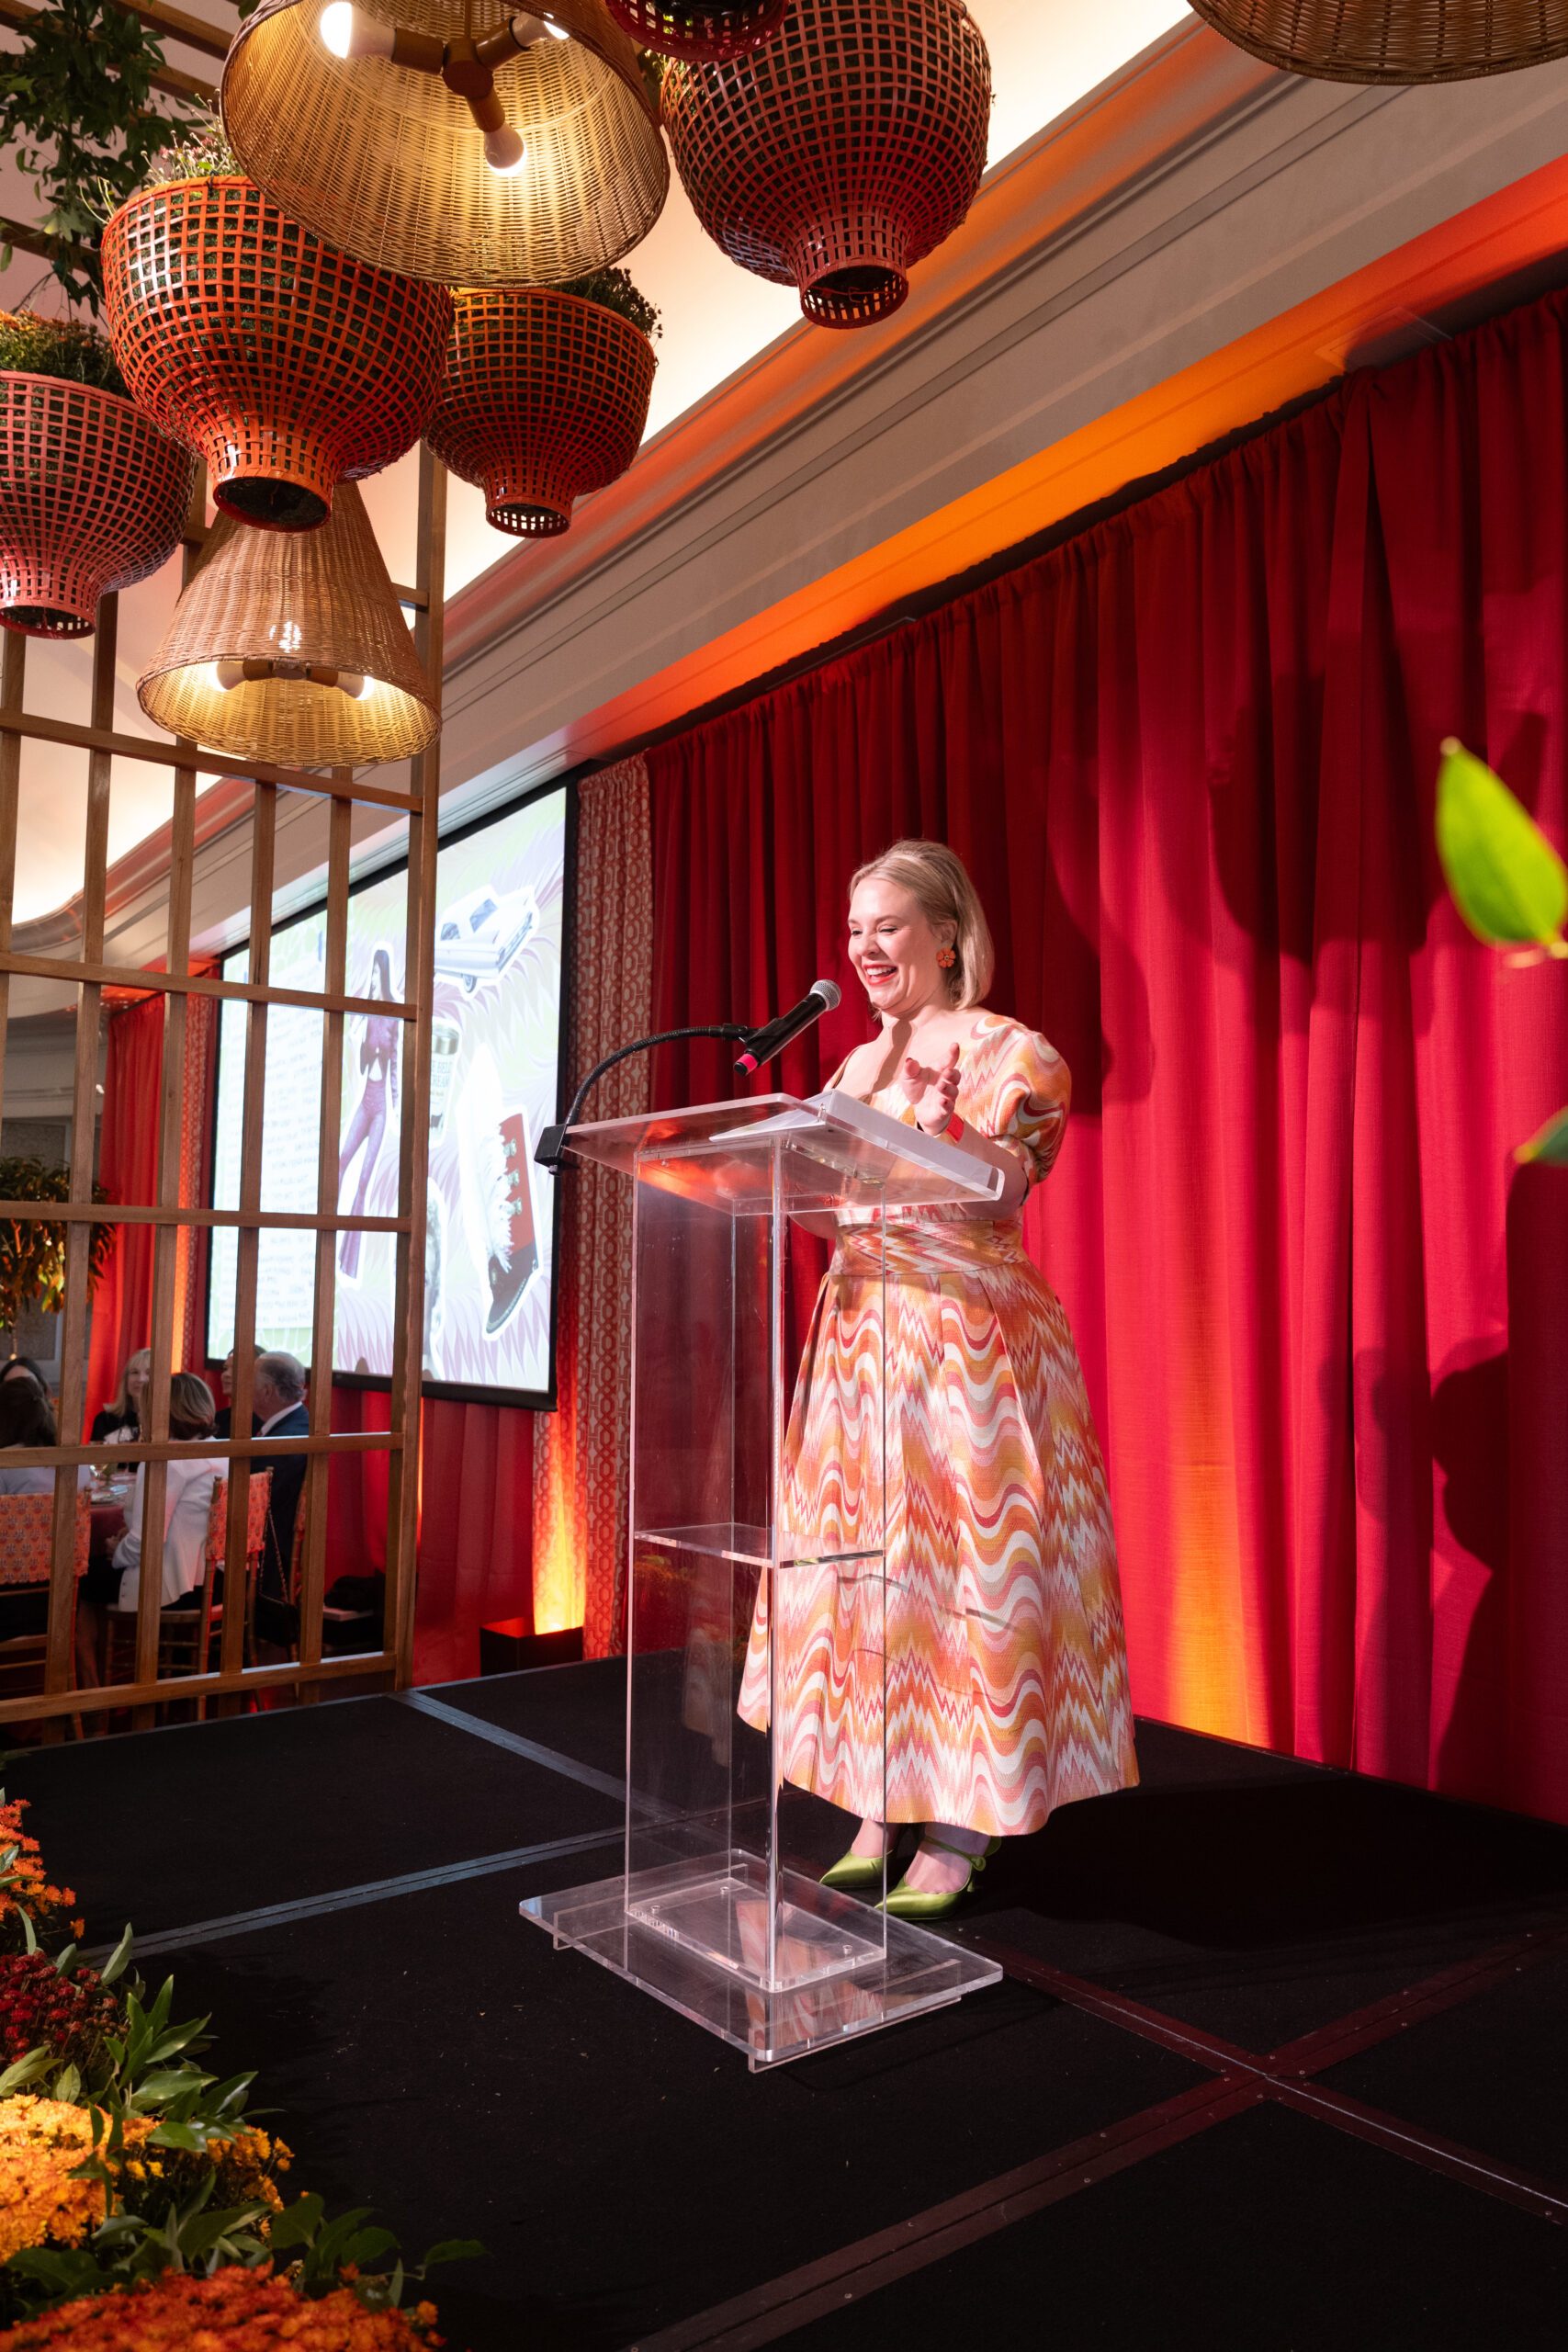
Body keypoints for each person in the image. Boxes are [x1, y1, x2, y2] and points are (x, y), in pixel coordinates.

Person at [738, 839, 1137, 1917]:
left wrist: (943, 1127)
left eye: (888, 925)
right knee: (870, 1579)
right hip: (860, 1340)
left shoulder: (1014, 1050)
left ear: (949, 936)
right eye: (854, 929)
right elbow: (829, 1206)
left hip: (966, 1340)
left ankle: (964, 1821)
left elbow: (1002, 1190)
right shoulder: (847, 1070)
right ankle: (878, 1800)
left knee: (963, 1575)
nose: (865, 946)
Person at [110, 1373, 222, 1611]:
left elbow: (145, 1543)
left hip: (174, 1586)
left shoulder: (166, 1461)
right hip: (221, 1577)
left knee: (80, 1577)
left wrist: (115, 1554)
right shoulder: (223, 1451)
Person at [338, 946, 399, 1279]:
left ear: (383, 975)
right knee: (341, 1160)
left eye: (376, 972)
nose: (372, 978)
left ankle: (349, 1261)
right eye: (371, 972)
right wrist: (355, 1037)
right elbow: (361, 1066)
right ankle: (326, 1235)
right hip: (364, 1102)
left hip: (380, 1110)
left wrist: (399, 1106)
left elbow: (395, 1068)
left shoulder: (393, 1018)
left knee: (363, 1180)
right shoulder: (368, 1016)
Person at [253, 1352, 310, 1627]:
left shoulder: (281, 1443)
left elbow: (251, 1505)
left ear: (266, 1391)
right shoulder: (299, 1423)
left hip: (268, 1559)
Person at [91, 1349, 150, 1445]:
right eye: (135, 1372)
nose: (140, 1379)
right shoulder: (105, 1420)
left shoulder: (169, 1422)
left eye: (149, 1373)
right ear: (125, 1380)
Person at [212, 1346, 264, 1442]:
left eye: (236, 1369)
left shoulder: (266, 1420)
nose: (226, 1374)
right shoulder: (217, 1419)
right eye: (225, 1368)